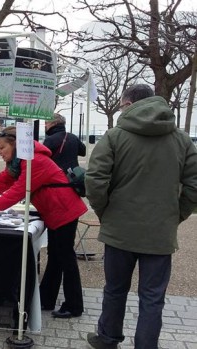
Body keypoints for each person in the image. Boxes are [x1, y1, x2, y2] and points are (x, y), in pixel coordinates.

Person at [85, 84, 197, 349]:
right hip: (159, 232)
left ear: (128, 103)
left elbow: (95, 180)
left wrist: (105, 212)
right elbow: (194, 185)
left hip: (119, 230)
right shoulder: (181, 140)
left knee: (115, 290)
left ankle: (108, 338)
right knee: (153, 297)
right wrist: (176, 215)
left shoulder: (114, 136)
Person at [0, 126, 87, 318]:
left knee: (65, 258)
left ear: (15, 144)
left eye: (2, 148)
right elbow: (0, 183)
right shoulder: (19, 162)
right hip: (55, 210)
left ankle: (74, 305)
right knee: (56, 257)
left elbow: (19, 190)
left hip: (63, 210)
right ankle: (47, 299)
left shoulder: (34, 160)